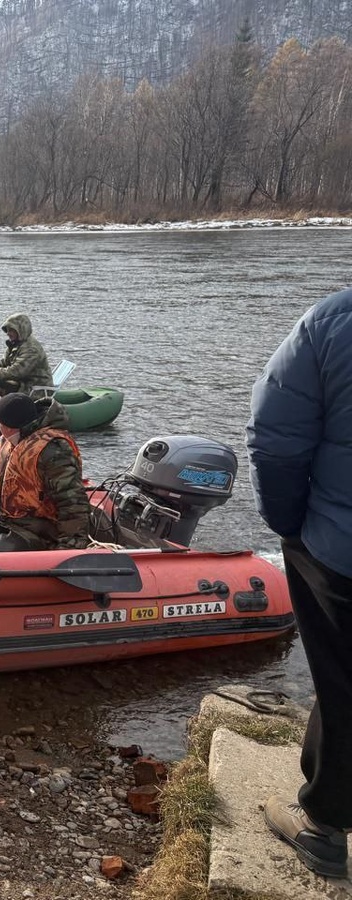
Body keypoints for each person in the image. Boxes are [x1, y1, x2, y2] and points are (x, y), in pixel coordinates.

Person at [247, 286, 352, 880]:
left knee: (343, 681)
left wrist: (290, 526)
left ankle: (324, 828)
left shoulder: (332, 323)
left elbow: (276, 441)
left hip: (342, 548)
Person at [0, 392, 90, 553]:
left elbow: (71, 500)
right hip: (3, 521)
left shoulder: (53, 450)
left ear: (7, 427)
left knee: (0, 549)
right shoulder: (4, 443)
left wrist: (70, 545)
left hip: (40, 530)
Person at [0, 313, 53, 398]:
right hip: (21, 383)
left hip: (35, 389)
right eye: (7, 330)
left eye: (11, 330)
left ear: (21, 330)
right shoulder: (15, 344)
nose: (8, 333)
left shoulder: (31, 349)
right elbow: (3, 363)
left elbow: (16, 372)